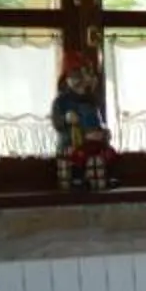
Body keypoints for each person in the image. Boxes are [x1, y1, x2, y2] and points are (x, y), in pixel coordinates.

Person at [50, 50, 116, 191]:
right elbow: (57, 123)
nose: (79, 81)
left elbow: (98, 122)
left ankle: (101, 179)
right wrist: (66, 119)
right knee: (76, 156)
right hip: (73, 143)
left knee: (101, 156)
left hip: (93, 144)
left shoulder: (92, 101)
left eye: (83, 75)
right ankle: (77, 179)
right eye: (74, 76)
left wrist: (103, 133)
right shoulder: (61, 101)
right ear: (66, 79)